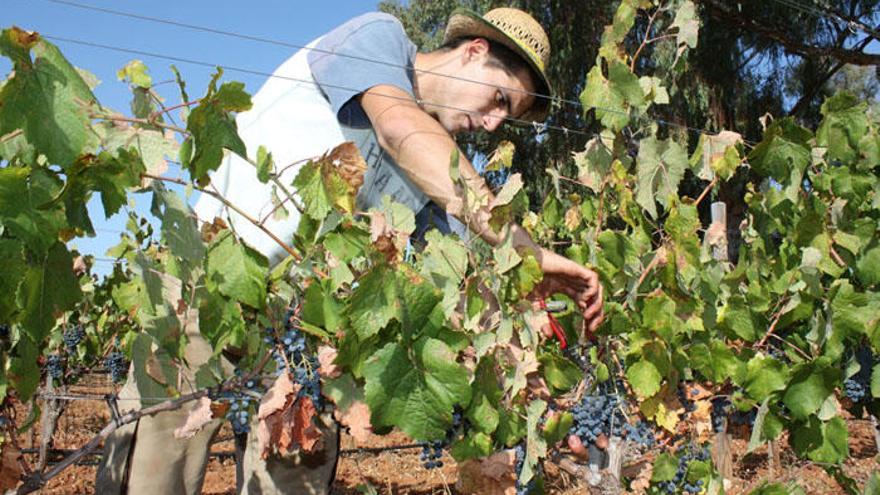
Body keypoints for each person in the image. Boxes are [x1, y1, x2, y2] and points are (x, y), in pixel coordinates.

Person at [96, 7, 604, 495]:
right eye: (497, 99)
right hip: (210, 283)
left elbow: (469, 290)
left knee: (296, 476)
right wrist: (522, 245)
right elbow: (398, 127)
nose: (493, 123)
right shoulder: (379, 40)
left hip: (307, 326)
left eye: (506, 116)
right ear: (473, 51)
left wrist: (548, 405)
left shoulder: (439, 179)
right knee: (156, 465)